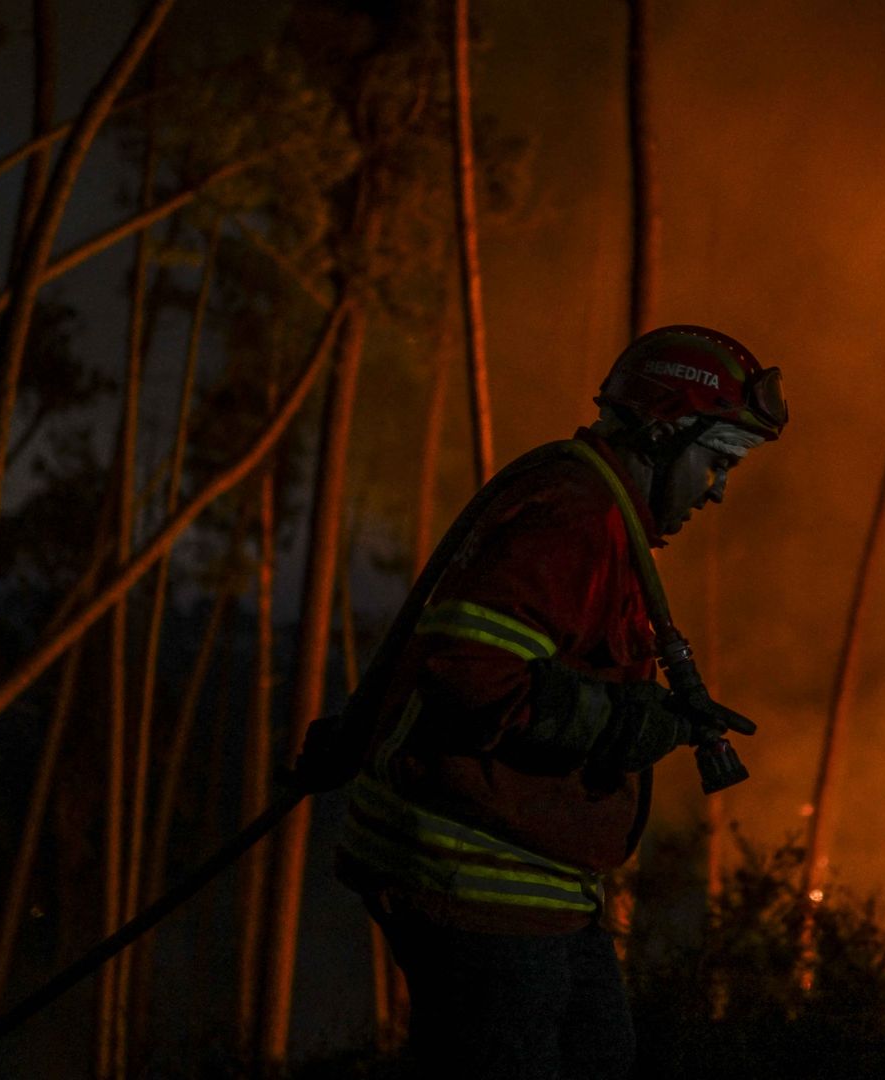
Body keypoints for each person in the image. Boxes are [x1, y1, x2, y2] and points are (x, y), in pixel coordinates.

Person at [299, 324, 787, 1079]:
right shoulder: (576, 520)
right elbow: (470, 678)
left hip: (536, 879)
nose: (719, 489)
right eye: (717, 461)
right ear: (663, 432)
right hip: (476, 877)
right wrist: (634, 722)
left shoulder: (592, 509)